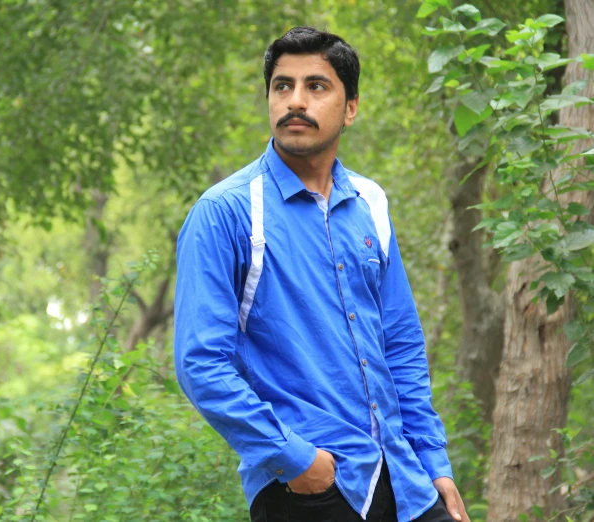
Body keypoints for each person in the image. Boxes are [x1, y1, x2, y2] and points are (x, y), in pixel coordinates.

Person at [173, 26, 469, 522]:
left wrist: (433, 461)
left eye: (316, 86)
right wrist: (295, 460)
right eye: (282, 86)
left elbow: (399, 344)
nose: (295, 101)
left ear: (350, 107)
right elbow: (201, 362)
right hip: (311, 491)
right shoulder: (226, 212)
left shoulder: (371, 203)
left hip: (405, 481)